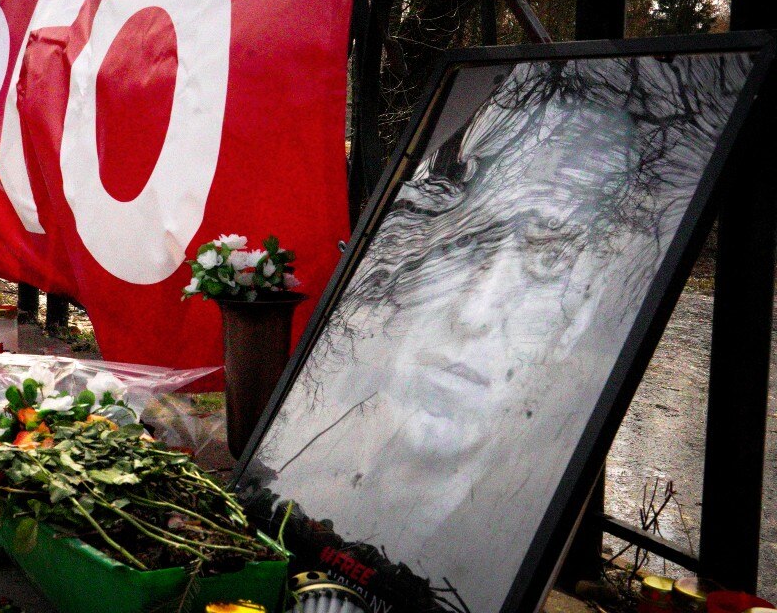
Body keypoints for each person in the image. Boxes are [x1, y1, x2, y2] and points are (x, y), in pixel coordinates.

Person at [240, 51, 753, 613]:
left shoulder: (500, 548)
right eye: (466, 241)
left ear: (582, 317)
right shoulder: (310, 482)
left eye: (548, 254)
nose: (475, 315)